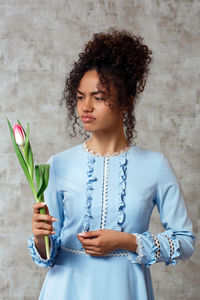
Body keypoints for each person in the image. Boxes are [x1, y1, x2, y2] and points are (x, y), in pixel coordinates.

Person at [28, 27, 196, 300]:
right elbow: (49, 253)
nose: (85, 107)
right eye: (81, 96)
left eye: (99, 97)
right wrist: (39, 238)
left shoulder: (155, 165)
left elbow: (185, 242)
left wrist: (127, 241)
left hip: (125, 290)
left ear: (126, 102)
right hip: (65, 290)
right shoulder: (57, 164)